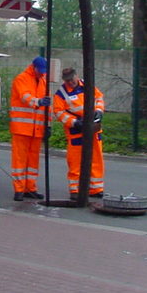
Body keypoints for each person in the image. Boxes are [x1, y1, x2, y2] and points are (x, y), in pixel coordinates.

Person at [52, 67, 105, 200]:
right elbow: (59, 113)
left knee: (96, 159)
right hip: (76, 131)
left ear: (76, 76)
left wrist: (99, 111)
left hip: (93, 128)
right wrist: (74, 122)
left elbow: (99, 98)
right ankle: (75, 190)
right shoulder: (61, 94)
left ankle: (96, 188)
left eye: (72, 79)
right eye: (68, 81)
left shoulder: (88, 86)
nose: (71, 82)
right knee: (75, 162)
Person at [9, 56, 50, 201]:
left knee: (33, 161)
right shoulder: (22, 79)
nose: (42, 73)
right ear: (34, 67)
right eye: (40, 71)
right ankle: (19, 189)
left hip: (37, 128)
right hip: (22, 128)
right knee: (19, 160)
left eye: (44, 71)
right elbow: (25, 97)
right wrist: (38, 101)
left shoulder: (44, 80)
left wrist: (48, 125)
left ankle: (30, 188)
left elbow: (47, 108)